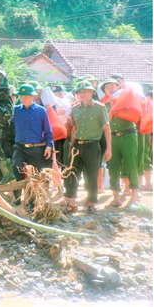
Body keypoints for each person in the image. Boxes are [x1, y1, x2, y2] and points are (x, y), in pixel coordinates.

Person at [62, 79, 110, 212]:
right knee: (72, 174)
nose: (82, 94)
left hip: (92, 145)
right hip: (77, 145)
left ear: (92, 92)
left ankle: (90, 203)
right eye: (79, 92)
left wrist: (109, 149)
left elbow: (106, 129)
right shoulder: (75, 109)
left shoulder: (100, 108)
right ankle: (71, 203)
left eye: (85, 91)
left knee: (91, 175)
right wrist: (72, 145)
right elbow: (74, 129)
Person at [10, 82, 54, 203]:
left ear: (33, 97)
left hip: (36, 148)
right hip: (20, 148)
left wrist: (49, 146)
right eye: (21, 96)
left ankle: (32, 202)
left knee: (35, 176)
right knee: (16, 168)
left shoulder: (41, 111)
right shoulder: (15, 110)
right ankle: (17, 197)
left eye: (26, 96)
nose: (23, 98)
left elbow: (48, 131)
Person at [105, 76, 144, 208]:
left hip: (128, 136)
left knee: (131, 165)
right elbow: (106, 123)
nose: (110, 88)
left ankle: (134, 197)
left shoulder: (129, 100)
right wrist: (112, 107)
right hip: (113, 137)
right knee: (113, 167)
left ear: (119, 87)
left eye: (113, 85)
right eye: (107, 87)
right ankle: (116, 198)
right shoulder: (104, 105)